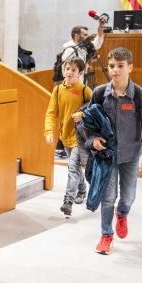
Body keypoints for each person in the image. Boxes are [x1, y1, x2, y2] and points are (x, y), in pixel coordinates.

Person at [86, 47, 142, 255]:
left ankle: (123, 213)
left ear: (130, 68)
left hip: (130, 156)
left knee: (127, 196)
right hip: (107, 157)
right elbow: (88, 123)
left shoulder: (140, 96)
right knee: (108, 197)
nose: (115, 71)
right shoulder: (100, 93)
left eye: (120, 66)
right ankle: (106, 235)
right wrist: (93, 139)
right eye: (111, 66)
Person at [44, 57, 92, 216]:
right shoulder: (58, 90)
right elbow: (51, 113)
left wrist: (83, 113)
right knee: (76, 167)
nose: (69, 72)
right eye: (67, 69)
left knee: (72, 167)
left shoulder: (85, 90)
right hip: (65, 136)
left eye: (73, 70)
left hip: (80, 137)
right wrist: (49, 131)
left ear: (80, 73)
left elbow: (96, 110)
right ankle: (82, 189)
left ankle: (67, 201)